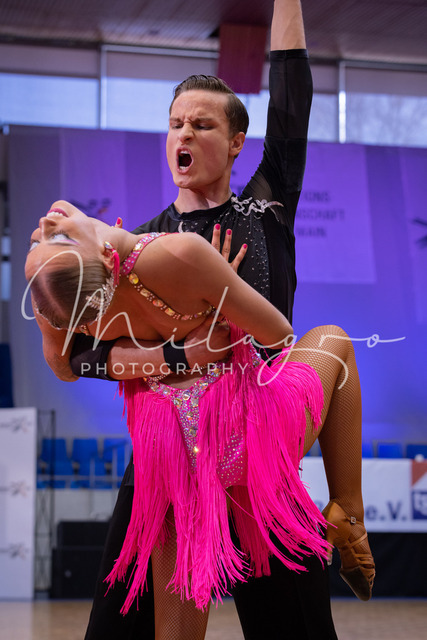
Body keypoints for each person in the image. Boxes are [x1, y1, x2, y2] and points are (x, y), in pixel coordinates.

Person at [30, 3, 373, 639]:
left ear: (237, 142)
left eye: (202, 124)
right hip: (169, 459)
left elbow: (292, 95)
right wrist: (174, 358)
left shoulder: (266, 206)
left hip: (259, 447)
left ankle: (346, 515)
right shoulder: (149, 244)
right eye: (175, 124)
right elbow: (75, 359)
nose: (183, 134)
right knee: (117, 631)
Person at [25, 198, 374, 640]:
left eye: (45, 236)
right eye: (57, 236)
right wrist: (223, 289)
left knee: (176, 633)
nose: (46, 221)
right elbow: (278, 335)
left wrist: (158, 357)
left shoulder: (56, 290)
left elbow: (64, 365)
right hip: (248, 440)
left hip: (173, 469)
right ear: (108, 256)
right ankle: (350, 512)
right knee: (333, 341)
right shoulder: (182, 253)